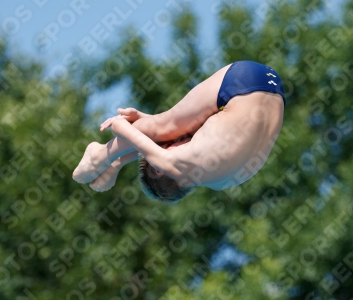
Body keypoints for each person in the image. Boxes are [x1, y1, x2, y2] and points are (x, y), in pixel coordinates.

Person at [72, 60, 286, 202]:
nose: (177, 141)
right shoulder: (174, 164)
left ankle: (109, 158)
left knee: (165, 129)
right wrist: (115, 161)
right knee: (163, 128)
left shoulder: (223, 183)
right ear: (158, 169)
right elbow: (121, 127)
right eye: (165, 147)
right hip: (241, 81)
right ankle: (100, 154)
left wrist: (146, 123)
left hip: (273, 84)